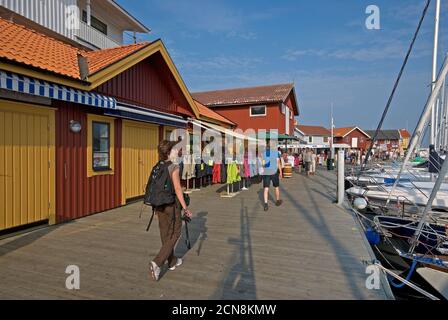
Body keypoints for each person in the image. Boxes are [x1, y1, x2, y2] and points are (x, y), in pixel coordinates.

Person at [149, 140, 192, 282]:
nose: (177, 151)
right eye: (174, 150)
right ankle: (157, 262)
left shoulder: (157, 166)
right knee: (175, 232)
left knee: (165, 233)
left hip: (158, 205)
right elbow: (178, 189)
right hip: (171, 205)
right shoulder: (173, 167)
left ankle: (172, 261)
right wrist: (185, 208)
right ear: (168, 152)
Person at [262, 140, 283, 211]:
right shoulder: (276, 153)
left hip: (266, 172)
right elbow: (278, 163)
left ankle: (265, 204)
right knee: (276, 187)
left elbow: (263, 164)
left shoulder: (264, 153)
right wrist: (280, 172)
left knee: (266, 188)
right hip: (274, 172)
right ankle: (277, 201)